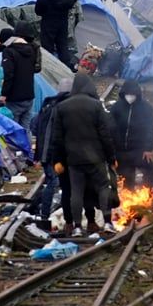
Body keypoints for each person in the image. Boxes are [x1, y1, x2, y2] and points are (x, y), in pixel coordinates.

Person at [50, 73, 117, 236]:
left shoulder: (62, 107)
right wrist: (111, 158)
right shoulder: (95, 105)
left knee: (77, 192)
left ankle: (78, 226)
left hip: (74, 159)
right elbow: (105, 134)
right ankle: (107, 223)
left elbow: (57, 137)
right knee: (103, 188)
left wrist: (58, 160)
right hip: (96, 158)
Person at [33, 77, 74, 220]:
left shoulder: (48, 105)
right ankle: (47, 214)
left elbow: (34, 127)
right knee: (57, 183)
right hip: (57, 153)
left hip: (45, 152)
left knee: (53, 182)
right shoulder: (67, 107)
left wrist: (39, 154)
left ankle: (45, 214)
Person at [0, 27, 38, 136]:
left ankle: (16, 147)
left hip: (15, 98)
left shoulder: (9, 52)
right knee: (25, 130)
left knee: (13, 131)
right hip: (29, 95)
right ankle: (27, 147)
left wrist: (4, 94)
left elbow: (9, 74)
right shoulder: (31, 49)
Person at [112, 80, 153, 190]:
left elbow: (152, 129)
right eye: (128, 94)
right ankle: (128, 196)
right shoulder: (116, 108)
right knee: (126, 178)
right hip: (122, 151)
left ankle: (150, 194)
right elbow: (111, 128)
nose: (130, 96)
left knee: (149, 171)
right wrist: (113, 148)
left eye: (132, 94)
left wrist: (149, 148)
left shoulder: (146, 108)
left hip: (140, 150)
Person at [35, 0, 78, 69]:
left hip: (49, 19)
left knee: (47, 47)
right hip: (63, 18)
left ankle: (50, 70)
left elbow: (42, 0)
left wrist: (40, 12)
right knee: (62, 45)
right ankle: (67, 68)